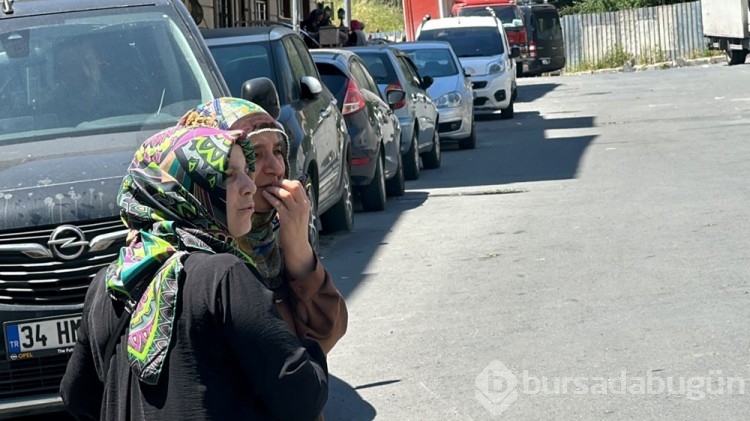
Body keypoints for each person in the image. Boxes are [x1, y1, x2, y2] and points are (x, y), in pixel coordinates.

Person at [60, 119, 329, 420]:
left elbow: (77, 396)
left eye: (246, 173)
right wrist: (311, 348)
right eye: (228, 175)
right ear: (184, 188)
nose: (249, 187)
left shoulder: (109, 283)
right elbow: (302, 397)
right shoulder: (224, 277)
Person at [179, 98, 348, 355]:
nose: (277, 168)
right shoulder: (194, 258)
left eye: (278, 151)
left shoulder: (275, 239)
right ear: (212, 170)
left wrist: (299, 249)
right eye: (256, 155)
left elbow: (325, 333)